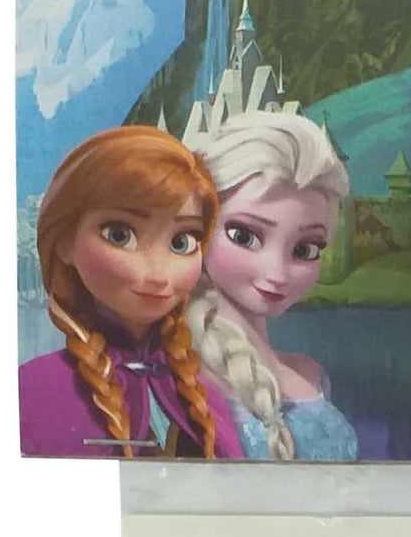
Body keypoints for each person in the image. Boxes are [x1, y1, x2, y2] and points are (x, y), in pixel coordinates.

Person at [19, 126, 240, 458]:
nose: (158, 273)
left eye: (181, 242)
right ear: (65, 241)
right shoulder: (35, 390)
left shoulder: (205, 400)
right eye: (120, 235)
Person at [187, 113, 357, 460]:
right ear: (199, 228)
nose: (277, 273)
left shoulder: (310, 374)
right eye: (244, 236)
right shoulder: (179, 379)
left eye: (305, 250)